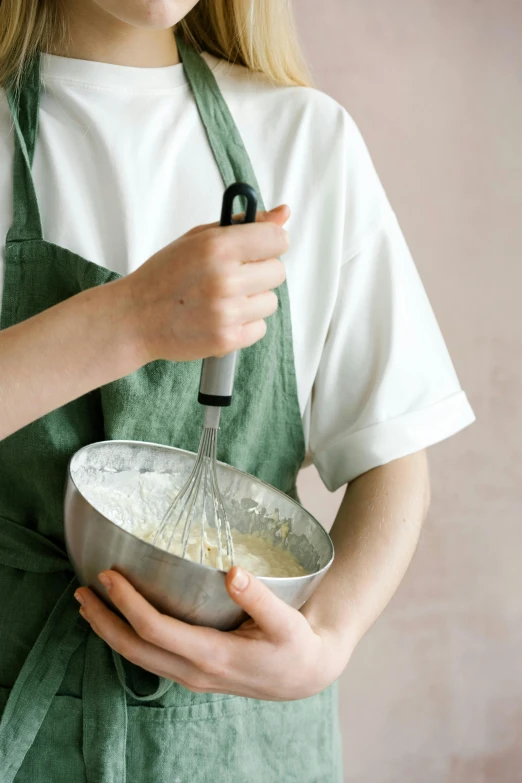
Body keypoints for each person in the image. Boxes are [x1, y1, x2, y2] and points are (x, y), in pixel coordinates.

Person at [0, 1, 475, 781]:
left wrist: (327, 637)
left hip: (240, 749)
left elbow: (394, 456)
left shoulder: (305, 140)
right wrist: (131, 319)